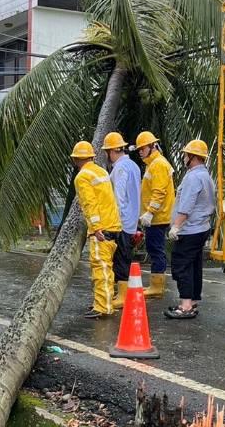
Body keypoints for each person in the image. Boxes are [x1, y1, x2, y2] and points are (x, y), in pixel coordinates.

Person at [164, 139, 216, 320]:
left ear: (192, 157)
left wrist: (176, 227)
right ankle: (192, 301)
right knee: (194, 265)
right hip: (201, 228)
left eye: (186, 155)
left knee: (181, 265)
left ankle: (185, 305)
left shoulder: (193, 177)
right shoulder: (205, 175)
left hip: (190, 229)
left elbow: (186, 205)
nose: (184, 157)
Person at [71, 140, 123, 318]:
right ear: (91, 157)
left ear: (77, 160)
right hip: (113, 226)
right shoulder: (101, 172)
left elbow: (89, 204)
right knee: (107, 269)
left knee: (100, 269)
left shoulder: (82, 177)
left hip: (101, 230)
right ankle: (105, 302)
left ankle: (102, 307)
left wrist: (95, 228)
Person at [101, 132, 141, 309]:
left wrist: (112, 220)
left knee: (121, 259)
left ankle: (123, 296)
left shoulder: (120, 168)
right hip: (131, 219)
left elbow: (118, 197)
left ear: (112, 151)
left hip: (121, 221)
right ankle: (121, 293)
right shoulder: (133, 166)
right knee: (124, 256)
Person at [134, 131, 175, 298]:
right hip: (157, 217)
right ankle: (156, 285)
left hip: (157, 218)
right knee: (154, 248)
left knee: (156, 249)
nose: (140, 152)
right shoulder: (154, 164)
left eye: (142, 148)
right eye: (139, 149)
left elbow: (159, 192)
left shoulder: (158, 164)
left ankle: (157, 287)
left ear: (152, 146)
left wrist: (150, 212)